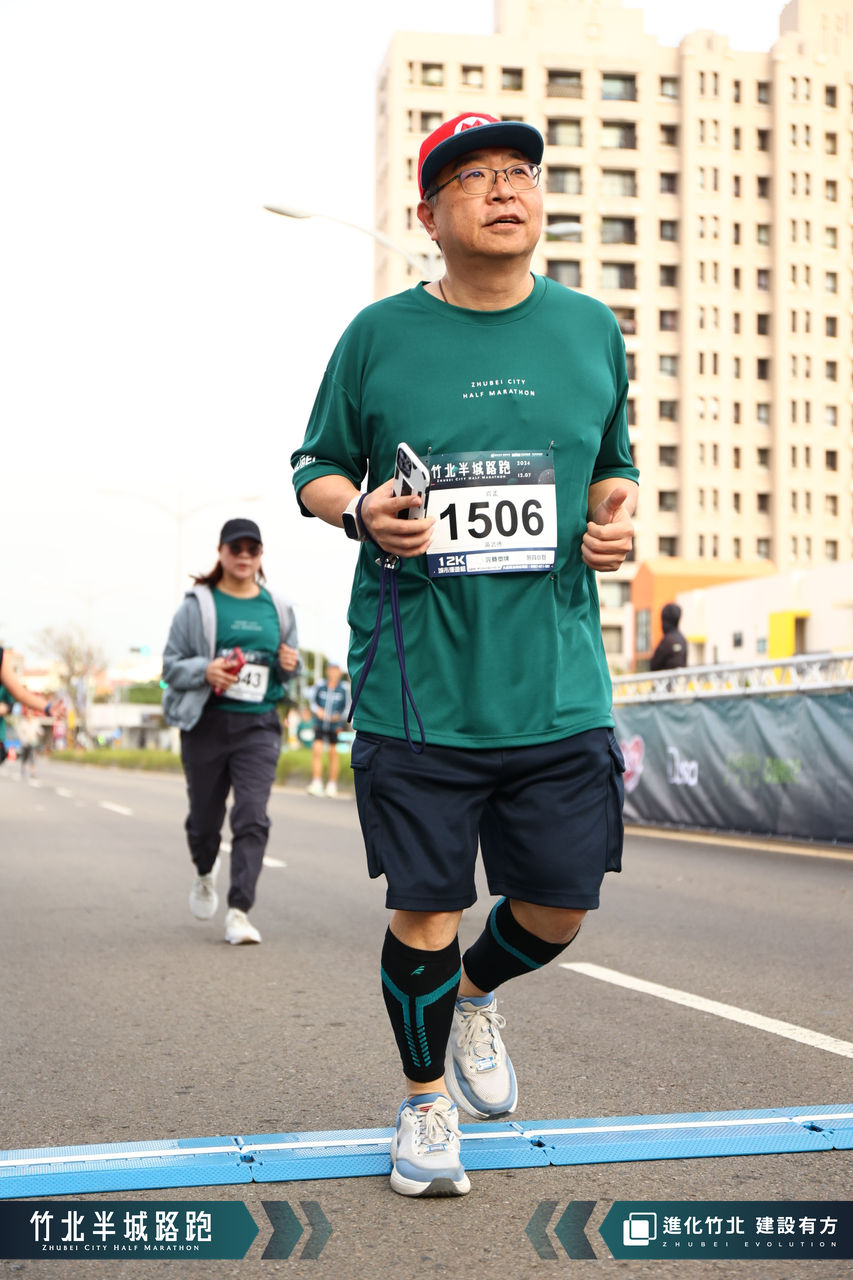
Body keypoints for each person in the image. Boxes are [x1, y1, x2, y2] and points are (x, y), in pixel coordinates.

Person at [290, 112, 639, 1198]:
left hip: (557, 681)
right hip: (418, 684)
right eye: (473, 176)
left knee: (558, 908)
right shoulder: (378, 335)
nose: (503, 189)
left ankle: (476, 995)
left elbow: (613, 467)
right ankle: (423, 1100)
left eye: (519, 171)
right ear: (428, 214)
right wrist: (358, 510)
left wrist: (615, 518)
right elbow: (314, 466)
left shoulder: (589, 328)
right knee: (425, 908)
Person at [162, 518, 300, 945]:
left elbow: (288, 671)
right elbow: (170, 666)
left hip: (259, 725)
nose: (243, 556)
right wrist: (205, 669)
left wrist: (288, 666)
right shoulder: (196, 606)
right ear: (220, 552)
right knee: (204, 821)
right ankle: (205, 871)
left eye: (251, 549)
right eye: (235, 548)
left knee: (252, 816)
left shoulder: (279, 608)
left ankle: (240, 911)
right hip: (206, 723)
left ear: (261, 555)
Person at [0, 647, 62, 768]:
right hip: (25, 742)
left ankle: (28, 769)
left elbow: (19, 693)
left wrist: (47, 708)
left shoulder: (1, 656)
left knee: (30, 758)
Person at [306, 662, 351, 797]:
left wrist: (339, 716)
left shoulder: (344, 688)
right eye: (331, 669)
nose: (333, 672)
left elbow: (347, 707)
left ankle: (332, 785)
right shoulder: (320, 685)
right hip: (320, 724)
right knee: (317, 751)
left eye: (336, 670)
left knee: (333, 753)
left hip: (335, 726)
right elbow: (312, 701)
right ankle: (316, 782)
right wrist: (318, 711)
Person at [649, 603, 688, 672]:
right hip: (680, 677)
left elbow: (654, 665)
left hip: (666, 678)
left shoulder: (667, 642)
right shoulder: (682, 639)